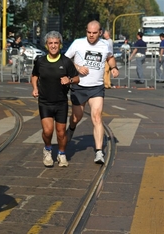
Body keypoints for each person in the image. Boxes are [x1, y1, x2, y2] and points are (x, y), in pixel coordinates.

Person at [64, 20, 119, 164]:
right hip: (79, 87)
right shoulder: (77, 43)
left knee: (96, 117)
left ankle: (99, 152)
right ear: (86, 31)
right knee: (77, 117)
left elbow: (110, 57)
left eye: (94, 33)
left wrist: (114, 67)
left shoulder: (105, 44)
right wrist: (77, 67)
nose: (91, 35)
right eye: (89, 32)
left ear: (100, 32)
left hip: (96, 87)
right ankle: (71, 128)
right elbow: (65, 59)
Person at [31, 31, 79, 167]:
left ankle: (62, 154)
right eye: (50, 43)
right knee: (47, 131)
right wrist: (35, 88)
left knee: (61, 132)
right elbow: (34, 76)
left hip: (61, 102)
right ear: (46, 45)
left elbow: (77, 78)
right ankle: (47, 149)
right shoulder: (40, 61)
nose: (53, 46)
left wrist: (69, 79)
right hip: (45, 102)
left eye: (56, 43)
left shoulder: (66, 61)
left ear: (60, 45)